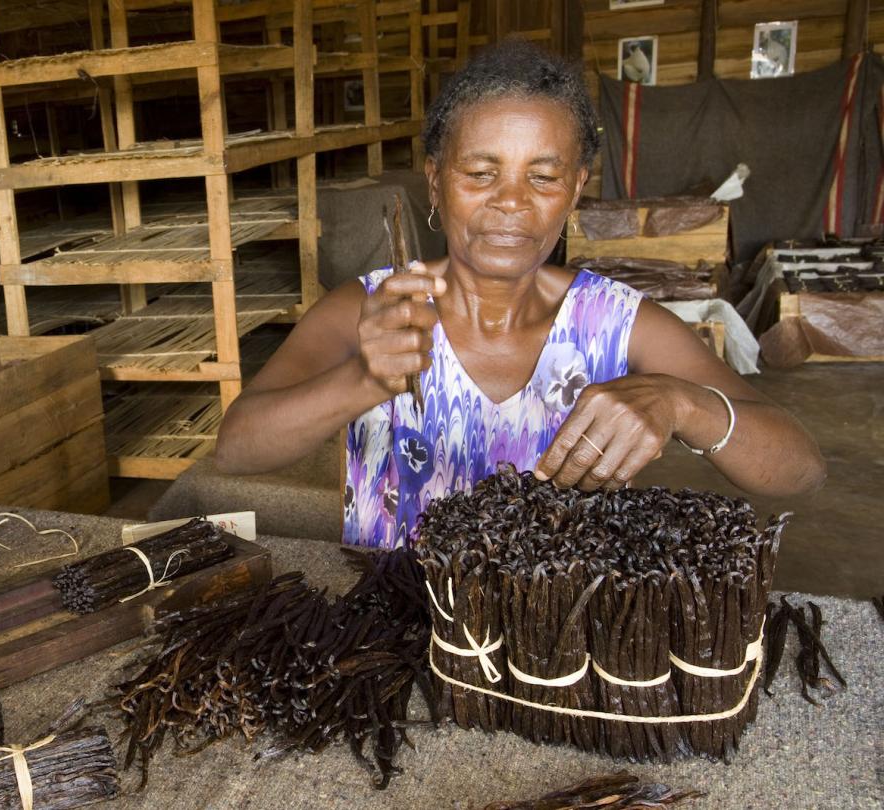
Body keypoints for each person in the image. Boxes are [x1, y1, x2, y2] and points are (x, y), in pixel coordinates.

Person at [214, 42, 825, 549]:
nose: (511, 201)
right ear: (435, 180)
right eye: (480, 174)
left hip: (561, 636)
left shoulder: (617, 325)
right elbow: (238, 448)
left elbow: (800, 470)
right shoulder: (370, 310)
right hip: (396, 628)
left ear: (577, 188)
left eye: (544, 176)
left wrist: (684, 404)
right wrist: (365, 380)